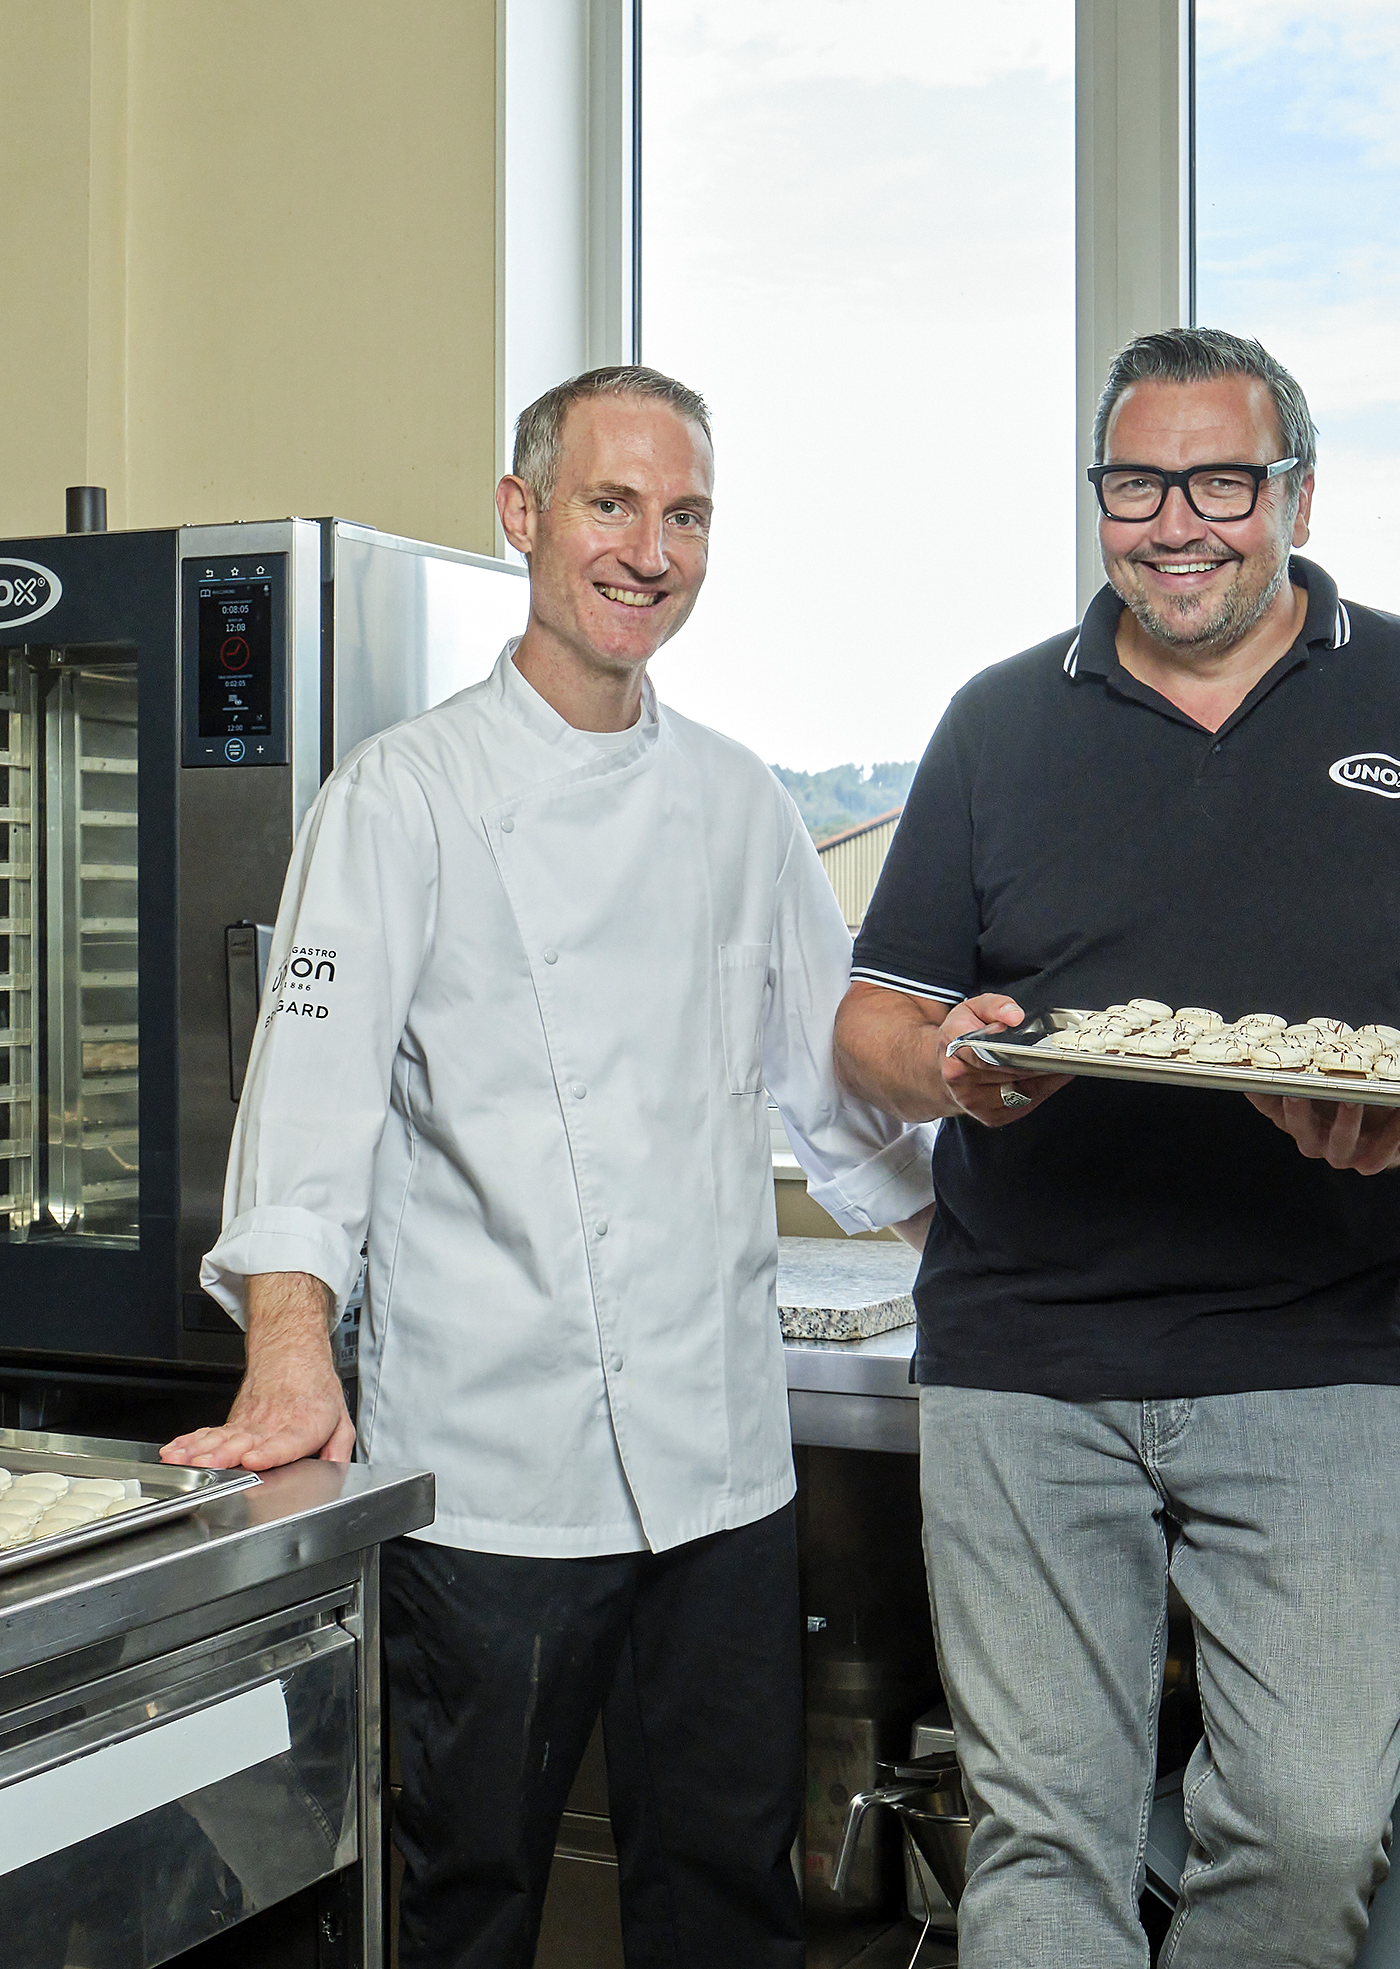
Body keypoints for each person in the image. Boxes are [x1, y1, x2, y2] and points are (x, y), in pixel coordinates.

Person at [163, 364, 935, 1969]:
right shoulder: (404, 794)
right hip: (496, 1474)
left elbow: (838, 1097)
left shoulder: (739, 803)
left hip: (720, 1466)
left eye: (686, 514)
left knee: (727, 1894)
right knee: (471, 1895)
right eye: (611, 503)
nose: (649, 548)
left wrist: (994, 1224)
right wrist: (290, 1352)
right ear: (522, 517)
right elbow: (311, 1108)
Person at [831, 325, 1400, 1967]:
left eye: (1222, 480)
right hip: (1024, 1355)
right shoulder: (998, 718)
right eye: (1134, 482)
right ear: (1096, 496)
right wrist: (952, 1066)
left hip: (1325, 1352)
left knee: (1311, 1828)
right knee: (1043, 1834)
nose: (1176, 522)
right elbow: (872, 1021)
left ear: (1297, 492)